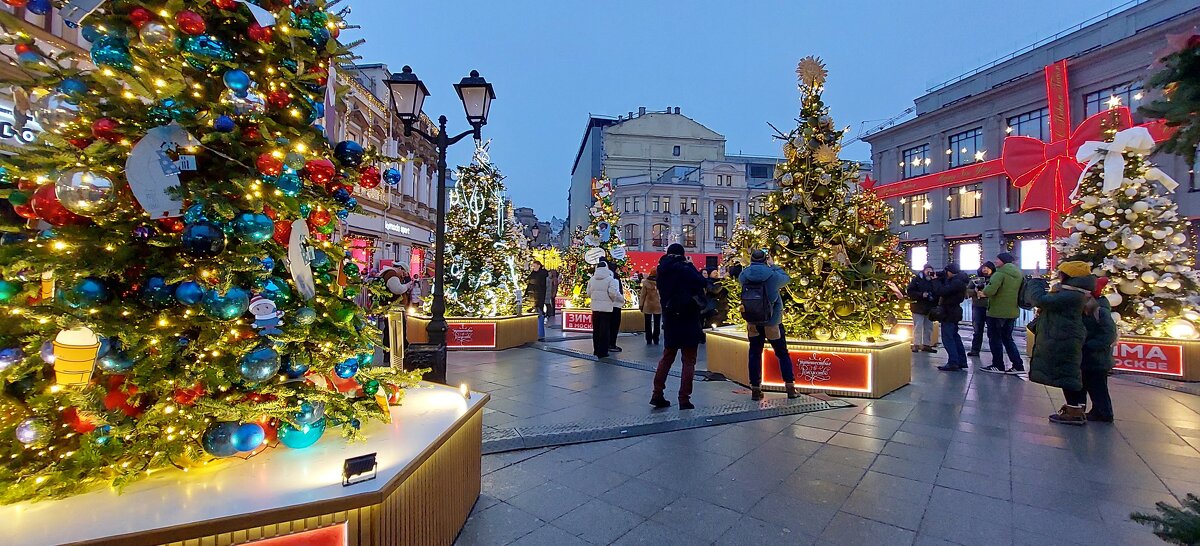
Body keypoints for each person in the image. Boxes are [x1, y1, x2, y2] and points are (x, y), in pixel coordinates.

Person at [1027, 260, 1094, 425]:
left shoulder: (1072, 295)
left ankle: (1074, 412)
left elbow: (1039, 299)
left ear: (1069, 275)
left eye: (1061, 272)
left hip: (1065, 337)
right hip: (1065, 336)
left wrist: (1036, 279)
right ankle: (1076, 408)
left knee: (1068, 374)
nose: (1058, 275)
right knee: (1069, 373)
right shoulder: (1077, 293)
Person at [651, 244, 707, 410]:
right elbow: (702, 281)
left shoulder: (661, 270)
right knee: (688, 361)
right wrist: (690, 264)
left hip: (670, 319)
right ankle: (684, 398)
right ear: (682, 255)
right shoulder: (685, 268)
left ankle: (657, 393)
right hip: (689, 318)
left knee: (667, 357)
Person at [738, 250, 798, 400]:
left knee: (754, 354)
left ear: (751, 259)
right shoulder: (772, 275)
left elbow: (740, 280)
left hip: (752, 321)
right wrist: (773, 265)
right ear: (766, 259)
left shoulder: (744, 274)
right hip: (772, 322)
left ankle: (755, 390)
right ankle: (790, 388)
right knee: (782, 354)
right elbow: (787, 278)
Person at [981, 252, 1025, 374]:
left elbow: (990, 291)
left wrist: (982, 292)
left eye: (998, 259)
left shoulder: (999, 274)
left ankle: (998, 365)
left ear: (1003, 261)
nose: (996, 262)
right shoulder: (1019, 273)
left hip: (997, 312)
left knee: (995, 339)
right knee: (1008, 339)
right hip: (1012, 311)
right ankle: (1018, 365)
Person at [1081, 277, 1118, 423]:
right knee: (1090, 385)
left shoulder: (1100, 310)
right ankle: (1096, 410)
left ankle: (1104, 413)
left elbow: (1108, 334)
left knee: (1098, 386)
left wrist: (1089, 346)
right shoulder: (1092, 307)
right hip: (1090, 356)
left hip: (1096, 357)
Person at [933, 263, 970, 371]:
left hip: (950, 312)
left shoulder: (956, 282)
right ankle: (961, 361)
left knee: (948, 337)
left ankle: (953, 362)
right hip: (954, 311)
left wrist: (935, 280)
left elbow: (941, 291)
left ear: (950, 271)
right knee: (954, 336)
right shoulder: (959, 280)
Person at [587, 262, 623, 358]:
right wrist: (610, 300)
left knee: (596, 330)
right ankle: (603, 351)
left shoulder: (592, 279)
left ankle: (596, 349)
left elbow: (588, 293)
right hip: (606, 309)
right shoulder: (610, 280)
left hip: (595, 308)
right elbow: (613, 293)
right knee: (605, 330)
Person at [379, 266, 414, 365]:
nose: (403, 275)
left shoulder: (392, 275)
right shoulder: (392, 275)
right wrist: (407, 285)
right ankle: (394, 355)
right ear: (400, 268)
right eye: (403, 272)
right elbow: (397, 289)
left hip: (394, 309)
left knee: (392, 332)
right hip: (394, 310)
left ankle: (393, 354)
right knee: (394, 332)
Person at [906, 265, 938, 353]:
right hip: (918, 307)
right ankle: (916, 344)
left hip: (930, 308)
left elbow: (938, 291)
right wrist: (921, 294)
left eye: (930, 270)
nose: (929, 272)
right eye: (927, 270)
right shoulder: (917, 280)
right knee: (918, 326)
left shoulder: (934, 280)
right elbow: (910, 291)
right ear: (923, 271)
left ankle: (927, 345)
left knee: (929, 327)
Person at [967, 261, 994, 356]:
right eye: (983, 268)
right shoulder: (976, 279)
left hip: (991, 307)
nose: (985, 270)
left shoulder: (995, 279)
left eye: (987, 268)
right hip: (978, 306)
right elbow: (967, 291)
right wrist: (974, 291)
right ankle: (975, 349)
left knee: (992, 331)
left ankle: (994, 351)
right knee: (977, 330)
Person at [527, 260, 549, 340]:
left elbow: (541, 285)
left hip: (539, 298)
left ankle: (540, 334)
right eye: (532, 266)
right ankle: (533, 333)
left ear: (539, 265)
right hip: (531, 298)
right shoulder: (532, 273)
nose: (533, 267)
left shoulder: (542, 274)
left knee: (539, 314)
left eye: (534, 265)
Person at [640, 272, 662, 344]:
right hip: (657, 305)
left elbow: (643, 295)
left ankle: (648, 339)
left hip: (648, 305)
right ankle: (656, 338)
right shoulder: (660, 282)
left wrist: (641, 305)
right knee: (657, 323)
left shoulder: (646, 282)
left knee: (647, 323)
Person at [607, 261, 623, 353]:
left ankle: (607, 344)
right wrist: (622, 299)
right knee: (614, 325)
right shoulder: (615, 279)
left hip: (606, 306)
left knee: (607, 325)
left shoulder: (606, 277)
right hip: (615, 305)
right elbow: (615, 292)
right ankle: (612, 344)